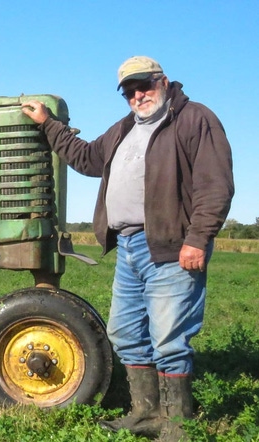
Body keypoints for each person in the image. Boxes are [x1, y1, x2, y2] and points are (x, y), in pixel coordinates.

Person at [22, 56, 234, 441]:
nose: (138, 95)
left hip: (172, 248)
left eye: (144, 85)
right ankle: (145, 414)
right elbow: (87, 158)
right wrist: (48, 125)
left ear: (163, 81)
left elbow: (214, 185)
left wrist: (198, 238)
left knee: (169, 339)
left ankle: (178, 425)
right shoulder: (123, 129)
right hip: (130, 247)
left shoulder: (194, 119)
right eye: (129, 91)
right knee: (126, 334)